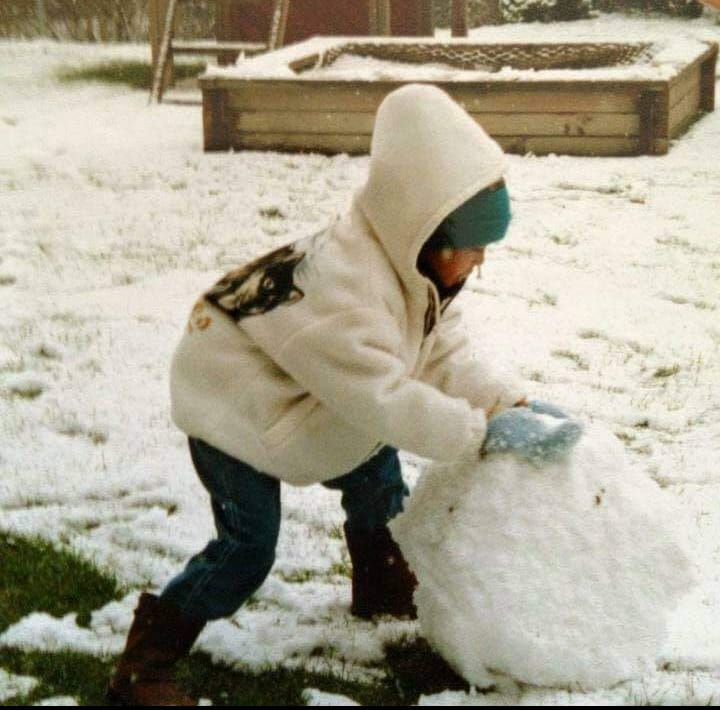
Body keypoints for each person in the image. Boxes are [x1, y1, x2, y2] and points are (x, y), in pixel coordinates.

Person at [107, 83, 526, 707]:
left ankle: (381, 581)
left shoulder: (409, 273)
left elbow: (440, 355)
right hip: (239, 405)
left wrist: (505, 404)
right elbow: (382, 398)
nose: (480, 264)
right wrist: (473, 431)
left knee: (375, 479)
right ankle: (147, 663)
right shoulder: (346, 287)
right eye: (471, 250)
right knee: (247, 548)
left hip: (310, 391)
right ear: (426, 233)